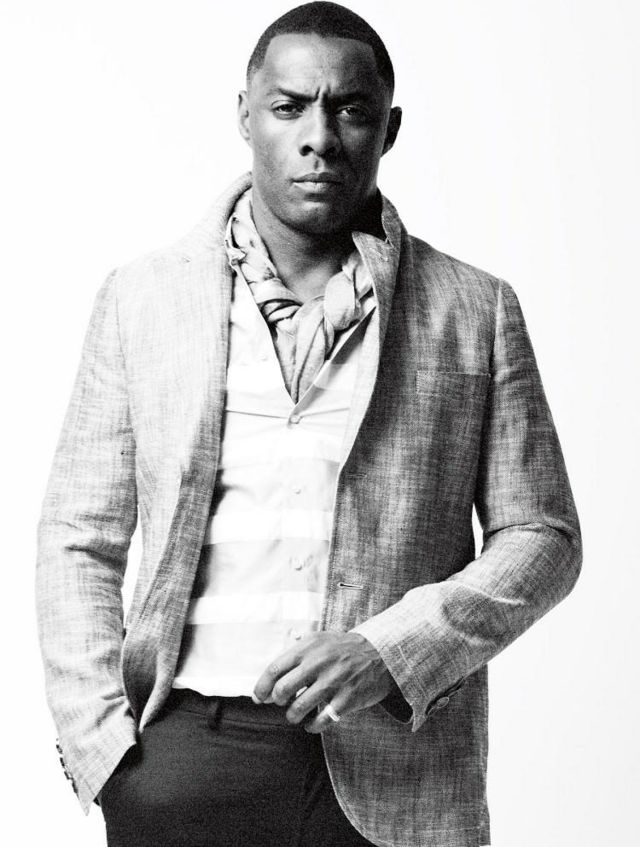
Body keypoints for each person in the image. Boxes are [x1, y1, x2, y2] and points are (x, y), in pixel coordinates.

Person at [36, 3, 582, 846]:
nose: (318, 138)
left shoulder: (475, 310)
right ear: (245, 116)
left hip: (397, 772)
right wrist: (103, 746)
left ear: (388, 129)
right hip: (182, 759)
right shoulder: (142, 299)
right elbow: (80, 533)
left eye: (350, 110)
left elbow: (543, 536)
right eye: (289, 107)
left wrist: (391, 648)